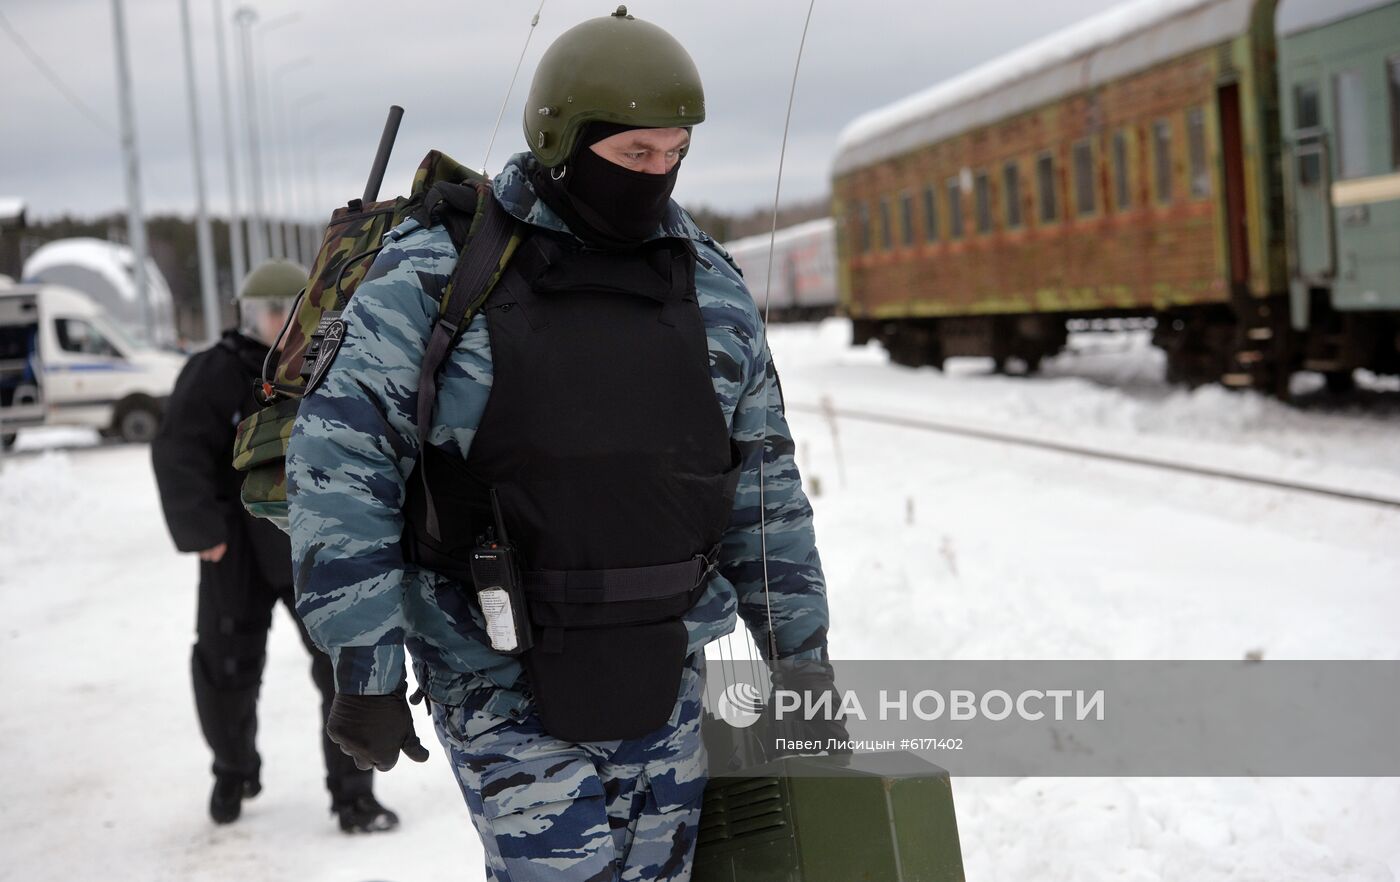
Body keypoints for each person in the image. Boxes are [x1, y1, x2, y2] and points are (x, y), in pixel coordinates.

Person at [286, 7, 833, 880]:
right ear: (561, 140)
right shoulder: (438, 273)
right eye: (632, 155)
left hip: (662, 662)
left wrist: (801, 658)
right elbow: (340, 466)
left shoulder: (709, 288)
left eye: (674, 153)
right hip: (496, 663)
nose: (658, 174)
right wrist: (366, 663)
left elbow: (762, 487)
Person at [151, 259, 400, 833]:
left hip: (309, 543)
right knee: (226, 667)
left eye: (289, 310)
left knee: (341, 669)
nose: (279, 322)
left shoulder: (326, 366)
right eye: (268, 311)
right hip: (233, 548)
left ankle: (353, 794)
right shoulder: (214, 372)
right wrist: (204, 534)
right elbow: (177, 452)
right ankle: (232, 771)